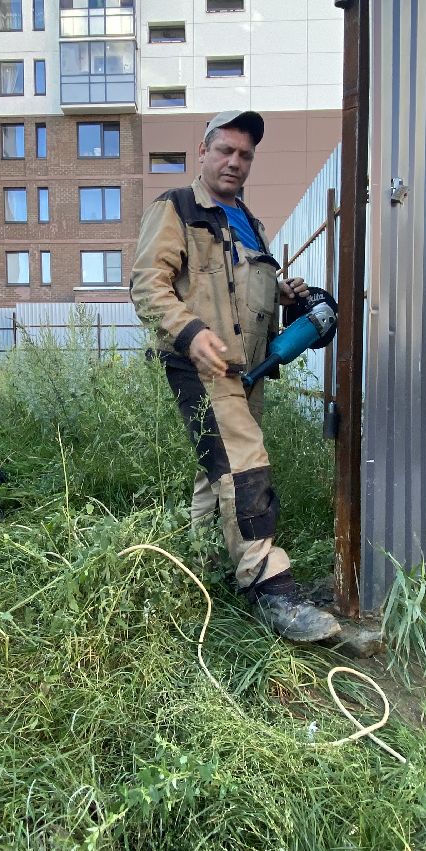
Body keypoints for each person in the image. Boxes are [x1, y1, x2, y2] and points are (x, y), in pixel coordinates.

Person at [130, 111, 341, 643]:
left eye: (245, 155)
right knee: (245, 464)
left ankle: (197, 569)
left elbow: (246, 291)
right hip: (201, 364)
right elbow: (146, 285)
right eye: (225, 150)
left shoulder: (248, 220)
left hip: (249, 371)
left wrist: (283, 293)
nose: (234, 161)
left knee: (217, 472)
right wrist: (191, 332)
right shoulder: (176, 208)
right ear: (202, 152)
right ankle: (271, 587)